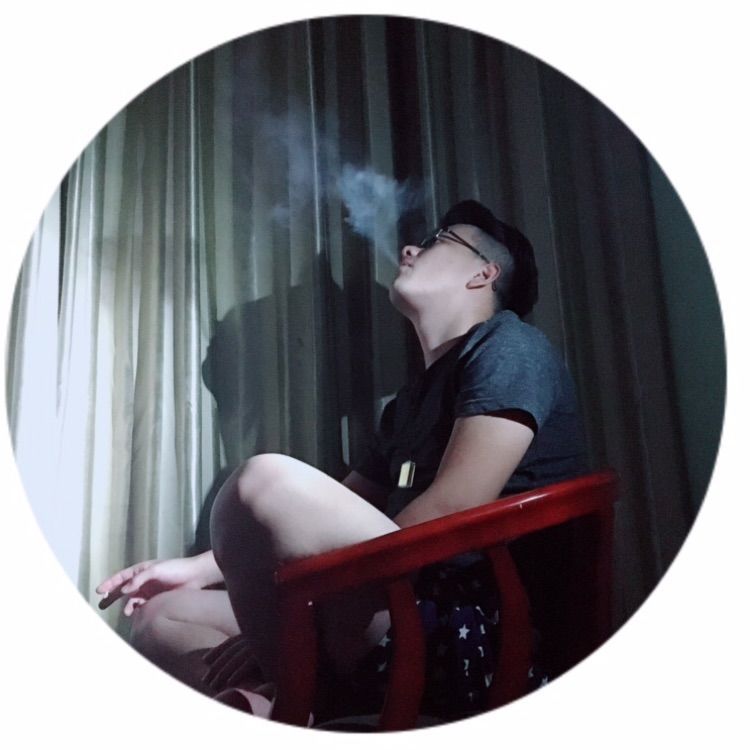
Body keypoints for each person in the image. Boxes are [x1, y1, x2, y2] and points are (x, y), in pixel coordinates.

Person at [96, 199, 587, 722]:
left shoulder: (508, 344)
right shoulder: (407, 406)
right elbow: (336, 510)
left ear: (484, 274)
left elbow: (456, 504)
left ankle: (288, 697)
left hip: (474, 630)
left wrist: (296, 621)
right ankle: (274, 700)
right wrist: (194, 570)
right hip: (390, 604)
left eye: (438, 241)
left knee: (262, 480)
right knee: (161, 615)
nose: (409, 249)